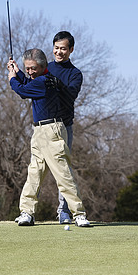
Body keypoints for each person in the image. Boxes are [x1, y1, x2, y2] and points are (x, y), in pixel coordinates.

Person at [7, 48, 90, 227]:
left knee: (63, 174)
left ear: (43, 66)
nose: (30, 72)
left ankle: (79, 214)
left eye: (32, 68)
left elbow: (22, 90)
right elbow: (27, 84)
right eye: (27, 68)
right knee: (34, 173)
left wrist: (12, 78)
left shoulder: (43, 82)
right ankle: (27, 212)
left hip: (52, 131)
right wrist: (17, 71)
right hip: (39, 132)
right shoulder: (43, 79)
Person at [45, 31, 83, 225]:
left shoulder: (74, 73)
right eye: (56, 48)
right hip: (43, 127)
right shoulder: (45, 68)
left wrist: (57, 84)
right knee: (37, 168)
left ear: (71, 50)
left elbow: (70, 96)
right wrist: (15, 72)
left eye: (63, 49)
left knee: (64, 169)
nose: (59, 52)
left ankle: (63, 210)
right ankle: (28, 211)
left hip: (64, 126)